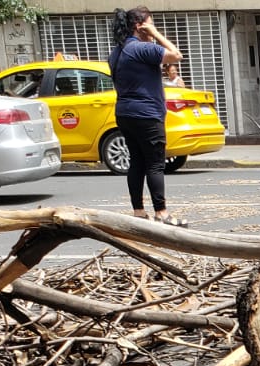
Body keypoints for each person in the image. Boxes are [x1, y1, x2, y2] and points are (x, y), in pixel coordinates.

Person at [109, 7, 184, 225]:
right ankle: (162, 213)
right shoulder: (142, 48)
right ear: (140, 25)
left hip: (124, 113)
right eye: (150, 22)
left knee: (137, 163)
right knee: (154, 164)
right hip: (146, 114)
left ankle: (139, 211)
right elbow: (176, 55)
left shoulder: (117, 52)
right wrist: (156, 34)